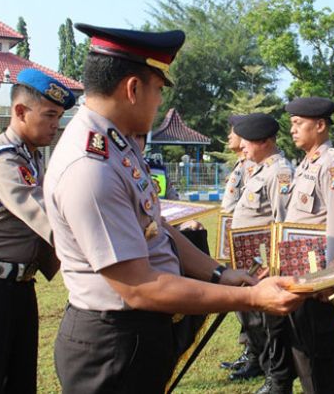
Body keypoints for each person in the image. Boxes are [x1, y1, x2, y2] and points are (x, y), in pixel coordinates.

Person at [43, 23, 304, 393]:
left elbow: (157, 228)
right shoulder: (91, 167)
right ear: (133, 89)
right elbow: (140, 287)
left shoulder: (117, 146)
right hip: (114, 345)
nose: (160, 102)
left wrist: (219, 274)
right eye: (158, 90)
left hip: (136, 335)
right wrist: (250, 298)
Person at [0, 68, 75, 393]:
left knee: (20, 381)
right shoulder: (4, 159)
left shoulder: (31, 157)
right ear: (21, 112)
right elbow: (44, 217)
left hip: (18, 286)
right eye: (50, 115)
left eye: (59, 117)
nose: (57, 125)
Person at [284, 96, 334, 393]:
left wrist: (331, 281)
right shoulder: (306, 164)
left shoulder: (332, 166)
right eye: (292, 124)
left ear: (320, 125)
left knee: (324, 363)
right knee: (305, 356)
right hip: (300, 277)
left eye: (298, 123)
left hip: (320, 285)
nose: (292, 130)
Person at [228, 113, 295, 393]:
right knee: (260, 322)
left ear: (265, 141)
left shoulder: (279, 173)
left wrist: (274, 264)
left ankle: (278, 381)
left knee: (274, 325)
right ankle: (270, 373)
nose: (242, 145)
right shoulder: (257, 169)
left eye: (248, 141)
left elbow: (282, 222)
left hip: (267, 263)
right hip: (252, 261)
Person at [218, 114, 262, 375]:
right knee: (242, 308)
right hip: (233, 244)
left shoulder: (251, 166)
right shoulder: (240, 165)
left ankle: (255, 357)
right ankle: (250, 352)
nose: (229, 136)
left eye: (233, 131)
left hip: (248, 245)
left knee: (250, 306)